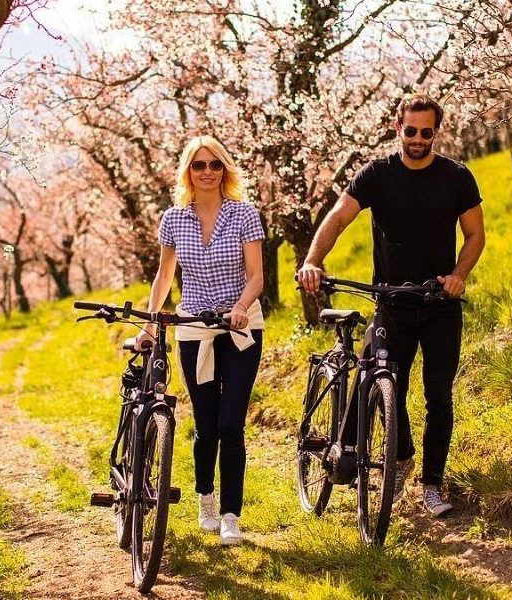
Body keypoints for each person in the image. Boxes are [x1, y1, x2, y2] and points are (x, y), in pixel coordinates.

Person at [296, 92, 486, 517]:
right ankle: (401, 459)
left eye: (427, 131)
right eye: (411, 130)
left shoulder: (456, 177)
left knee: (439, 395)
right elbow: (339, 217)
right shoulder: (376, 175)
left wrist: (459, 274)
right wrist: (312, 260)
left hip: (439, 303)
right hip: (391, 303)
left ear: (436, 132)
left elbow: (475, 234)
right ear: (397, 128)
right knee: (390, 391)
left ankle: (433, 486)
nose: (418, 138)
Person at [140, 135, 265, 545]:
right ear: (188, 172)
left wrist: (242, 305)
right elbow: (164, 277)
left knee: (232, 425)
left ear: (224, 169)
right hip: (194, 329)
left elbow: (257, 275)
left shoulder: (244, 214)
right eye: (199, 165)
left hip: (240, 328)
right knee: (207, 425)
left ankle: (231, 514)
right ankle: (205, 498)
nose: (207, 172)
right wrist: (147, 326)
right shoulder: (174, 219)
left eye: (214, 164)